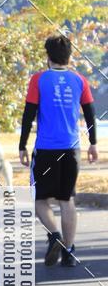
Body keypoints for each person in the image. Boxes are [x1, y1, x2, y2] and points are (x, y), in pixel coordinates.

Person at [19, 33, 98, 267]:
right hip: (71, 148)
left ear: (48, 56)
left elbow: (29, 114)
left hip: (45, 149)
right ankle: (69, 252)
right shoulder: (80, 80)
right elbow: (91, 114)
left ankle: (54, 234)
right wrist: (93, 143)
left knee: (39, 199)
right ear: (69, 55)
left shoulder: (39, 80)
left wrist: (22, 144)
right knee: (67, 200)